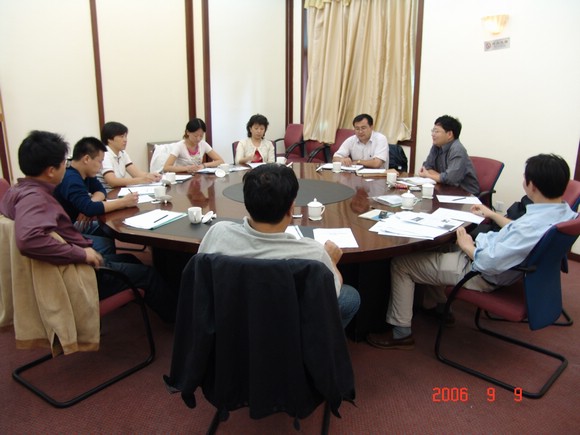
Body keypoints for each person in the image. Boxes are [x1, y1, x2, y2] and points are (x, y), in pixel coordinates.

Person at [367, 153, 577, 350]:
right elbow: (519, 230)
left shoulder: (530, 227)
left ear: (532, 186)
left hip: (482, 272)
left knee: (402, 263)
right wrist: (492, 215)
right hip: (507, 264)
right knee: (439, 245)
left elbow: (489, 263)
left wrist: (468, 246)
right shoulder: (564, 212)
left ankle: (401, 333)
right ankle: (441, 309)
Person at [0, 130, 176, 322]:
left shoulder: (19, 190)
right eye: (63, 163)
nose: (66, 167)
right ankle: (179, 321)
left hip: (71, 262)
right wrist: (82, 253)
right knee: (148, 274)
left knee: (129, 258)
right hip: (78, 273)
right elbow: (28, 240)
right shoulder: (35, 199)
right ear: (51, 171)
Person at [198, 163, 360, 328]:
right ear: (291, 208)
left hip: (231, 323)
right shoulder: (313, 254)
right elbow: (331, 293)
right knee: (351, 297)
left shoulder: (217, 233)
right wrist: (332, 262)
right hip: (287, 328)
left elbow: (202, 281)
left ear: (246, 202)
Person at [418, 115, 480, 195]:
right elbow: (426, 167)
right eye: (433, 131)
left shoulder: (457, 150)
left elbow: (451, 179)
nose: (433, 134)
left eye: (436, 131)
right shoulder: (436, 146)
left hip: (466, 194)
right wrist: (441, 177)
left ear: (449, 134)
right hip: (446, 189)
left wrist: (429, 176)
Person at [98, 121, 162, 191]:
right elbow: (112, 181)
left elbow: (136, 173)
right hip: (108, 194)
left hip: (119, 191)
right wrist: (141, 180)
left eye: (125, 136)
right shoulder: (104, 154)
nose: (125, 140)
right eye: (121, 137)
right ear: (109, 139)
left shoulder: (122, 153)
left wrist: (151, 176)